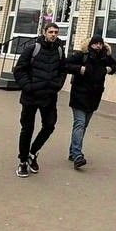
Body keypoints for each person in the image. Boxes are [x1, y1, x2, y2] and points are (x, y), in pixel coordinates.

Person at [11, 22, 68, 177]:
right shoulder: (32, 48)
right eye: (51, 32)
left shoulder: (59, 50)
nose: (53, 35)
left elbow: (62, 70)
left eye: (56, 32)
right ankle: (23, 162)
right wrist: (28, 87)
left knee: (49, 126)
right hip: (31, 96)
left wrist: (57, 85)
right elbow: (19, 70)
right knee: (27, 129)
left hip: (49, 96)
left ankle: (33, 153)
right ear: (44, 32)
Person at [64, 35, 116, 169]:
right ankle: (77, 155)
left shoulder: (105, 57)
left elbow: (114, 65)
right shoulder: (82, 55)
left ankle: (72, 152)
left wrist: (109, 69)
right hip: (79, 95)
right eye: (96, 43)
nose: (98, 46)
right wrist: (79, 69)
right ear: (91, 44)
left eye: (100, 43)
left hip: (94, 97)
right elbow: (65, 64)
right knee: (80, 124)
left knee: (83, 126)